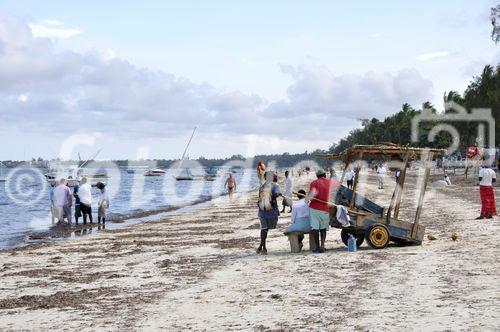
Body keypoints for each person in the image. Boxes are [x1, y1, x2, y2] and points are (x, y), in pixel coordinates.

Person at [307, 169, 338, 253]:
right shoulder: (330, 182)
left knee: (315, 228)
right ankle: (323, 245)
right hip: (325, 208)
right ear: (324, 175)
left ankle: (317, 247)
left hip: (314, 208)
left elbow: (311, 196)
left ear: (317, 176)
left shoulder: (314, 183)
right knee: (323, 228)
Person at [256, 171, 281, 255]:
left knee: (264, 229)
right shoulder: (275, 185)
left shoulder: (261, 186)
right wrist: (277, 194)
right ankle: (264, 248)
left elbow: (259, 197)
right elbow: (276, 194)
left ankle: (261, 247)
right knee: (266, 229)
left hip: (261, 211)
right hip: (271, 211)